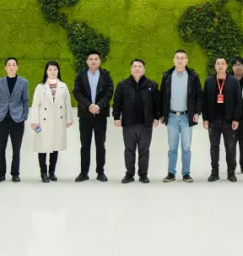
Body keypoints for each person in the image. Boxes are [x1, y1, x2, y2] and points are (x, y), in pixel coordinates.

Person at [113, 58, 160, 183]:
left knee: (144, 150)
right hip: (128, 124)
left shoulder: (152, 85)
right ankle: (129, 174)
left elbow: (157, 103)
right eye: (135, 66)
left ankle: (143, 174)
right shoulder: (123, 85)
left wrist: (156, 117)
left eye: (140, 66)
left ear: (144, 69)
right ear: (131, 69)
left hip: (146, 124)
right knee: (129, 150)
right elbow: (117, 103)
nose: (137, 68)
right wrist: (116, 117)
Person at [160, 49, 202, 183]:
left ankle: (186, 174)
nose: (180, 60)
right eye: (177, 58)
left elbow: (199, 95)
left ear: (186, 60)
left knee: (186, 148)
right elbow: (162, 96)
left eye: (182, 58)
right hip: (171, 116)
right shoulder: (167, 76)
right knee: (172, 148)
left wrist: (196, 112)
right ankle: (171, 173)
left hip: (186, 117)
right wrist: (162, 114)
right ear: (174, 60)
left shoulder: (193, 76)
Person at [72, 50, 114, 183]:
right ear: (87, 61)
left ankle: (100, 172)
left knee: (100, 145)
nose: (93, 61)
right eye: (91, 59)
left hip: (100, 115)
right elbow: (76, 92)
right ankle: (84, 173)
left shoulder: (106, 75)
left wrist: (99, 106)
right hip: (85, 115)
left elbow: (109, 92)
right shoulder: (81, 75)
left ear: (99, 61)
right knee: (85, 145)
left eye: (96, 59)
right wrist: (89, 105)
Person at [30, 61, 74, 183]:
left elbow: (68, 104)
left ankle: (52, 172)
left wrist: (69, 119)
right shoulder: (40, 87)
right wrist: (34, 121)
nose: (53, 72)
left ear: (58, 71)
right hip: (43, 122)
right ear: (46, 71)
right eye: (50, 70)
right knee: (42, 147)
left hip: (58, 120)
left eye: (55, 69)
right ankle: (43, 173)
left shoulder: (63, 86)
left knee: (55, 146)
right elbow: (35, 105)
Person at [202, 56, 243, 182]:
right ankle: (214, 172)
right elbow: (204, 101)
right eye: (218, 63)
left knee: (230, 147)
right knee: (214, 147)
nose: (220, 66)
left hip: (229, 121)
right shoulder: (209, 81)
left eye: (223, 63)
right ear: (215, 66)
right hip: (213, 120)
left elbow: (238, 101)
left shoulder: (233, 81)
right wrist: (205, 118)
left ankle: (231, 172)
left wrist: (236, 119)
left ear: (226, 66)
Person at [0, 57, 29, 183]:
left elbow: (25, 100)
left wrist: (24, 116)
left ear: (17, 67)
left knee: (16, 148)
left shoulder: (23, 82)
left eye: (14, 65)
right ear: (5, 68)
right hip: (2, 119)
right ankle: (0, 173)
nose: (11, 67)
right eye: (9, 65)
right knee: (1, 148)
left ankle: (15, 173)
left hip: (17, 120)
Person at [231, 57, 243, 174]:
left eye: (240, 65)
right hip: (231, 118)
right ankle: (232, 167)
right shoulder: (227, 80)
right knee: (231, 144)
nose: (238, 67)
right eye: (236, 65)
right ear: (232, 67)